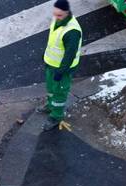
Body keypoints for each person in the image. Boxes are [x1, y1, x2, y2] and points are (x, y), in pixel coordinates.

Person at [38, 0, 83, 131]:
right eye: (55, 14)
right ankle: (51, 105)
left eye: (59, 16)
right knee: (51, 88)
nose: (56, 17)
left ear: (67, 13)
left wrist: (61, 71)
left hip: (62, 69)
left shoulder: (72, 32)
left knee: (60, 92)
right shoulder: (58, 19)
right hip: (51, 64)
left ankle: (56, 116)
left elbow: (69, 55)